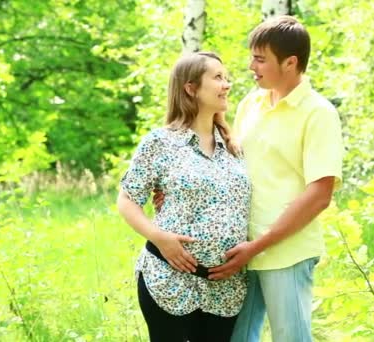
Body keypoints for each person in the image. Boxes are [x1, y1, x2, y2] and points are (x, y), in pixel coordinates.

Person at [156, 16, 344, 342]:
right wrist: (172, 189)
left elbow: (320, 194)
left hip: (286, 252)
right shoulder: (250, 104)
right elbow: (223, 163)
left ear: (290, 62)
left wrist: (259, 245)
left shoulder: (319, 113)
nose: (250, 66)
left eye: (260, 59)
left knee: (291, 338)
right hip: (239, 252)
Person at [117, 51, 252, 342]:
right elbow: (127, 200)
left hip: (224, 290)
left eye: (226, 78)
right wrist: (160, 238)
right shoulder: (160, 143)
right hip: (168, 281)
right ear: (191, 88)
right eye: (217, 77)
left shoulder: (234, 148)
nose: (227, 84)